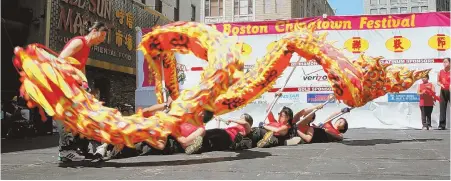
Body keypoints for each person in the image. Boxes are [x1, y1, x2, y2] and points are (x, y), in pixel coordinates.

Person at [57, 21, 108, 162]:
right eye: (102, 35)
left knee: (82, 116)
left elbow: (81, 66)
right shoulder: (79, 42)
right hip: (64, 86)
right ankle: (66, 150)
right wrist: (73, 78)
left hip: (75, 88)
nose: (102, 39)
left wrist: (85, 83)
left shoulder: (86, 47)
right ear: (94, 31)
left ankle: (80, 149)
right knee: (67, 117)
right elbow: (60, 60)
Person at [438, 58, 450, 130]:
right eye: (443, 62)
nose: (444, 63)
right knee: (442, 108)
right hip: (443, 91)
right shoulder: (440, 72)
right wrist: (440, 84)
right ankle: (442, 125)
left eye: (446, 62)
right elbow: (438, 81)